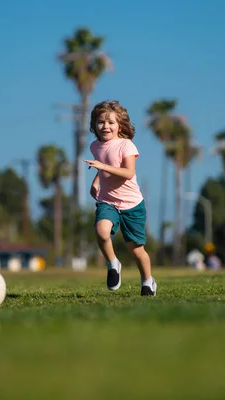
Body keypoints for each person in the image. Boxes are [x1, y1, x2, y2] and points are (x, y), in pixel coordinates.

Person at [84, 100, 157, 296]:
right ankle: (113, 263)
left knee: (137, 251)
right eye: (100, 122)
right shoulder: (95, 146)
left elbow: (127, 172)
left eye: (110, 122)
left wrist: (102, 168)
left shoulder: (126, 145)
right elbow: (106, 164)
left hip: (132, 205)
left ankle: (147, 281)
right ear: (94, 125)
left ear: (120, 126)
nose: (105, 126)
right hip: (108, 201)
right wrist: (96, 181)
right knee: (101, 231)